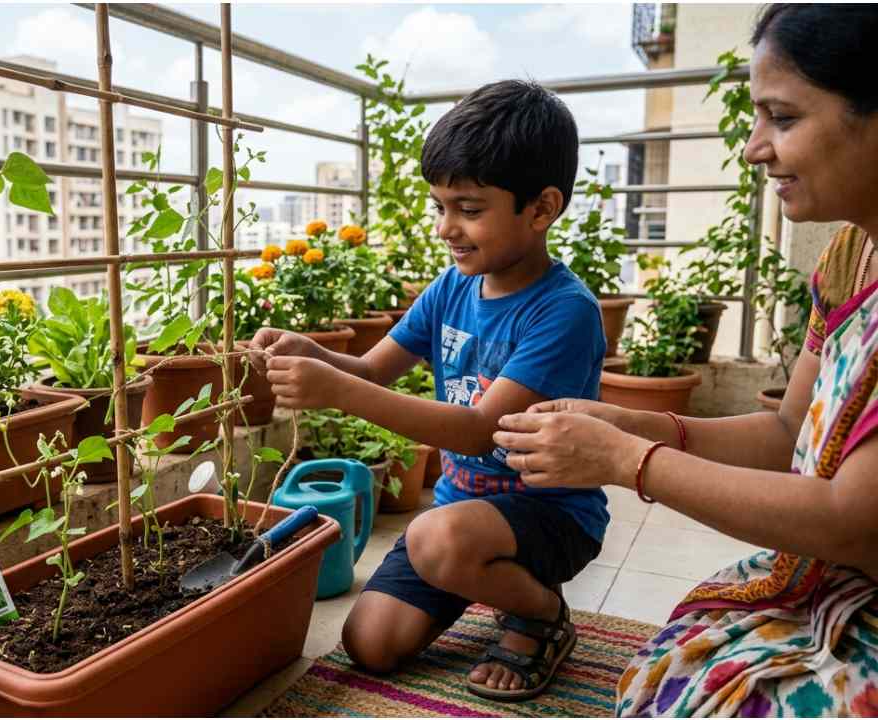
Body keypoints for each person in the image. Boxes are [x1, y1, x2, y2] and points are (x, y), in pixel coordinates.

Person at [492, 5, 878, 716]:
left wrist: (624, 462)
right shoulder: (850, 259)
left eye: (783, 118)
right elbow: (787, 431)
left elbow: (853, 523)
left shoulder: (562, 304)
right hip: (832, 579)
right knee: (680, 656)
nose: (755, 147)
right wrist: (632, 427)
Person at [249, 80, 608, 701]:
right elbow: (371, 371)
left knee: (435, 538)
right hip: (461, 510)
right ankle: (480, 574)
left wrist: (333, 390)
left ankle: (540, 612)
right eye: (440, 206)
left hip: (553, 517)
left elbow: (479, 430)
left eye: (468, 209)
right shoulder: (450, 288)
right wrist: (314, 353)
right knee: (371, 644)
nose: (447, 227)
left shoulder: (564, 311)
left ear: (542, 208)